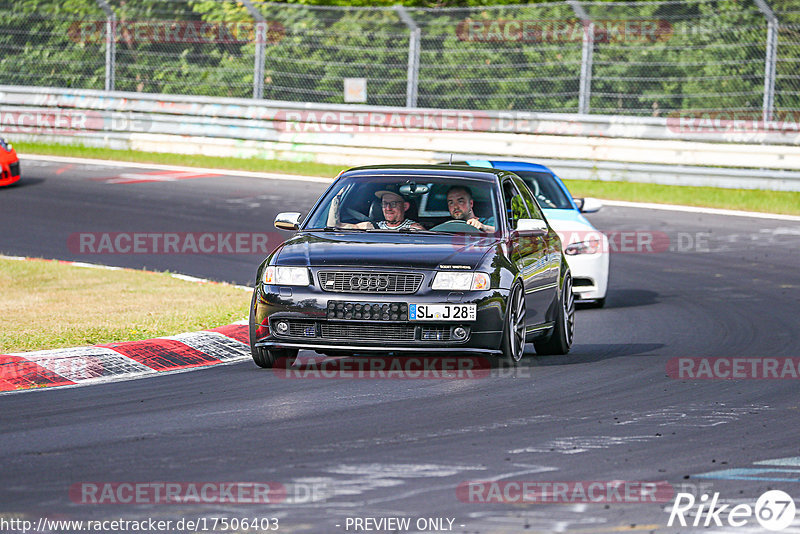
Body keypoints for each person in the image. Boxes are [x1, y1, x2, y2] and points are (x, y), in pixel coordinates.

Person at [328, 186, 425, 230]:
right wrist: (336, 196)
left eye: (393, 204)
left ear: (405, 206)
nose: (388, 208)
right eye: (384, 204)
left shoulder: (414, 229)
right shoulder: (371, 227)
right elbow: (334, 226)